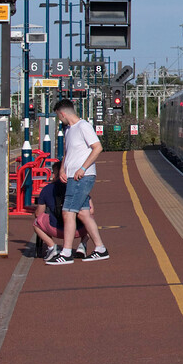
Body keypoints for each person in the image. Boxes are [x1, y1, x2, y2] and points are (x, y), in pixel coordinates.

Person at [46, 99, 108, 265]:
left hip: (82, 176)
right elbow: (68, 152)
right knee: (83, 213)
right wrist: (63, 169)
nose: (60, 120)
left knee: (68, 212)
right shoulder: (69, 130)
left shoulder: (83, 126)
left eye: (59, 117)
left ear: (63, 113)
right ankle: (100, 249)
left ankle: (66, 252)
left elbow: (97, 147)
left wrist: (82, 168)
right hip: (73, 176)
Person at [34, 161, 93, 261]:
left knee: (37, 223)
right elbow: (91, 210)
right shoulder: (79, 187)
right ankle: (82, 244)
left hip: (57, 230)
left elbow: (38, 214)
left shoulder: (47, 189)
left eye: (53, 173)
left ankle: (52, 246)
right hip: (79, 230)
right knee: (90, 218)